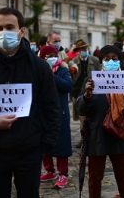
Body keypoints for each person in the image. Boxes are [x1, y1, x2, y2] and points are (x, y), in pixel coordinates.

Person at [0, 7, 60, 198]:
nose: (4, 32)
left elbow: (52, 108)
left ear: (21, 31)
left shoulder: (39, 68)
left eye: (9, 27)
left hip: (29, 152)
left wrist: (45, 146)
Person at [76, 45, 124, 198]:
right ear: (102, 62)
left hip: (120, 135)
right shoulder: (92, 80)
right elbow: (81, 109)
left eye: (114, 59)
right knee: (94, 177)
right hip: (97, 136)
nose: (111, 61)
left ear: (119, 61)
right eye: (107, 59)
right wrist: (87, 95)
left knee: (123, 177)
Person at [38, 45, 72, 189]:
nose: (52, 58)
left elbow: (67, 86)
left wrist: (51, 75)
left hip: (60, 113)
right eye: (48, 56)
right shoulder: (39, 72)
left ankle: (63, 174)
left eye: (54, 55)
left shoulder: (63, 70)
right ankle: (49, 171)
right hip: (44, 113)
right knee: (45, 143)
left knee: (61, 144)